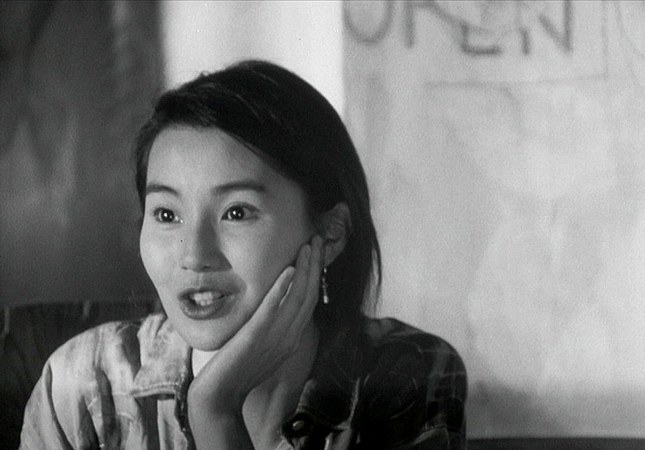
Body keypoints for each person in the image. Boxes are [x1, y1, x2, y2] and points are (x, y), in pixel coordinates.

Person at [19, 60, 467, 449]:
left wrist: (216, 411)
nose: (194, 255)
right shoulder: (84, 385)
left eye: (236, 212)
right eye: (167, 214)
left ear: (329, 235)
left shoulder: (406, 377)